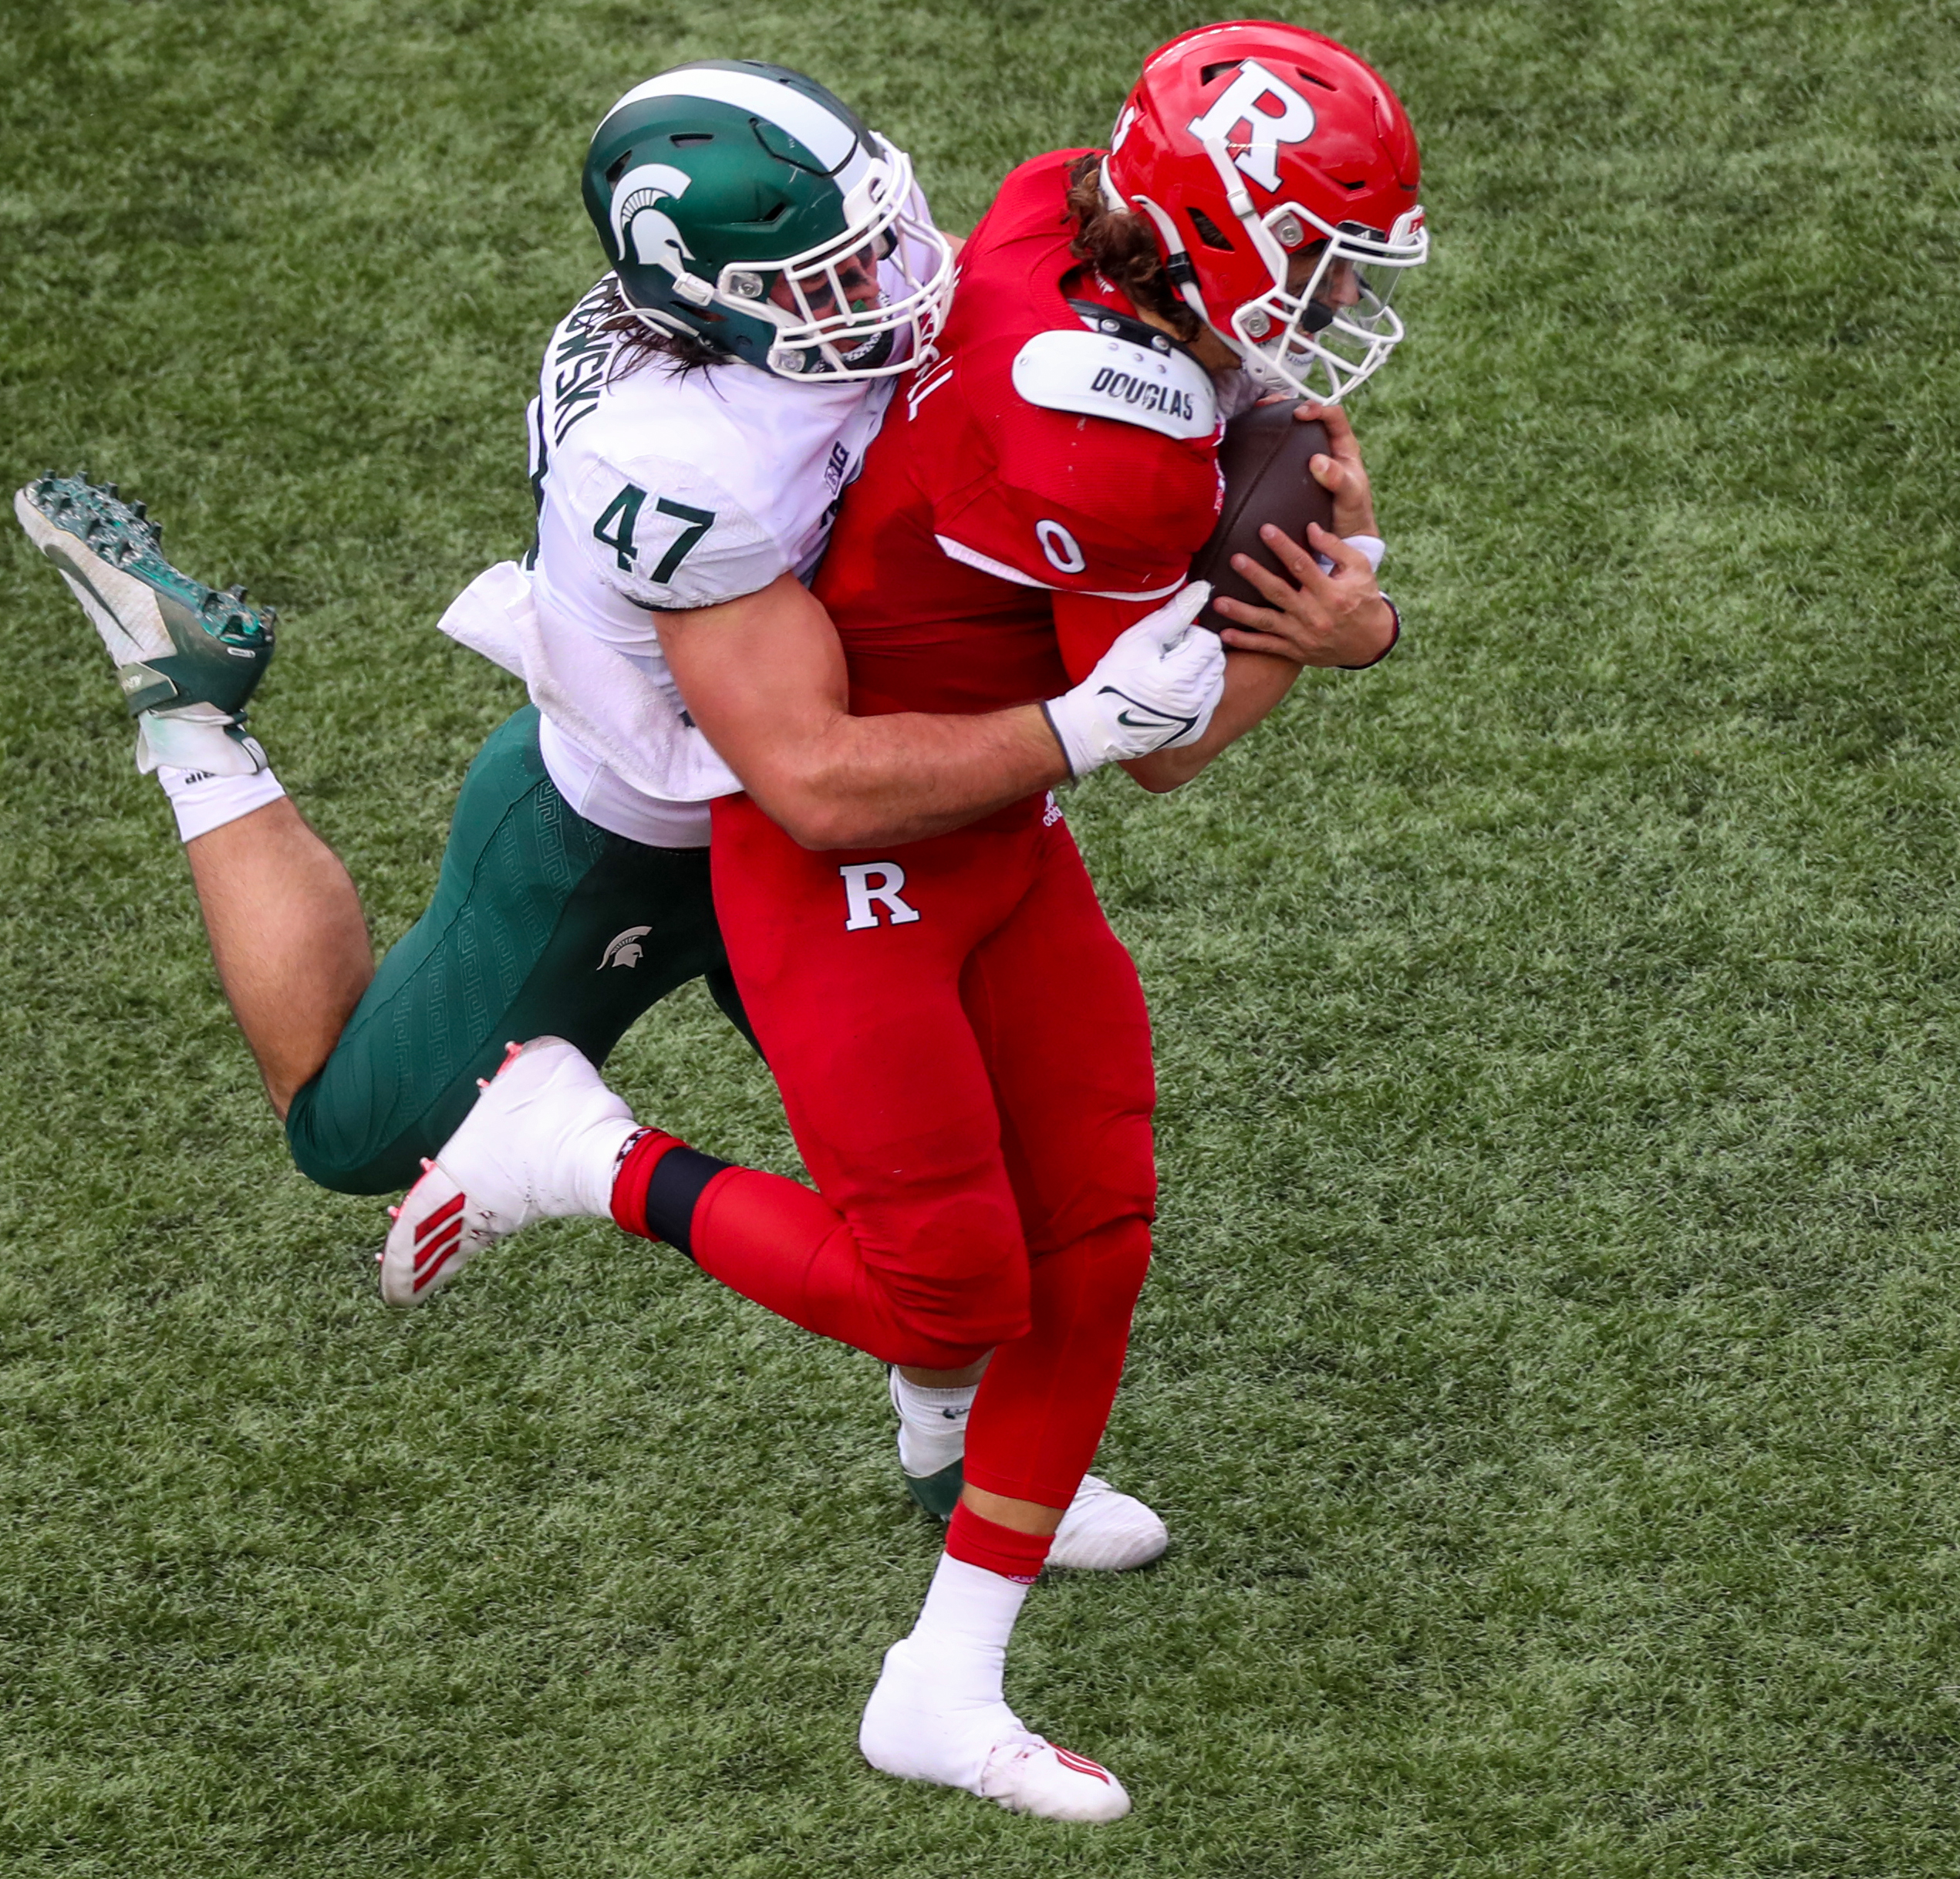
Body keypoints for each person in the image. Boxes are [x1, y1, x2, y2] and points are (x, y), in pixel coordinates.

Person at [386, 20, 1428, 1821]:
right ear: (1222, 229)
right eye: (1321, 251)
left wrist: (1250, 446)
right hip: (862, 845)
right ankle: (578, 1151)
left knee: (1092, 1226)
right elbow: (1166, 753)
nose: (1335, 292)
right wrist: (1343, 625)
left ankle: (941, 1685)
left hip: (993, 826)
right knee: (947, 1283)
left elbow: (1181, 427)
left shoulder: (1046, 210)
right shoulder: (1106, 449)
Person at [13, 62, 1228, 1566]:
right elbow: (810, 768)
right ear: (702, 299)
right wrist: (1080, 725)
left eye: (883, 233)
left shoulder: (787, 334)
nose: (891, 282)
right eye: (834, 273)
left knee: (954, 1181)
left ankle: (946, 1462)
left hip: (801, 830)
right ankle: (196, 719)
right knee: (350, 1136)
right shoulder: (680, 462)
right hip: (639, 833)